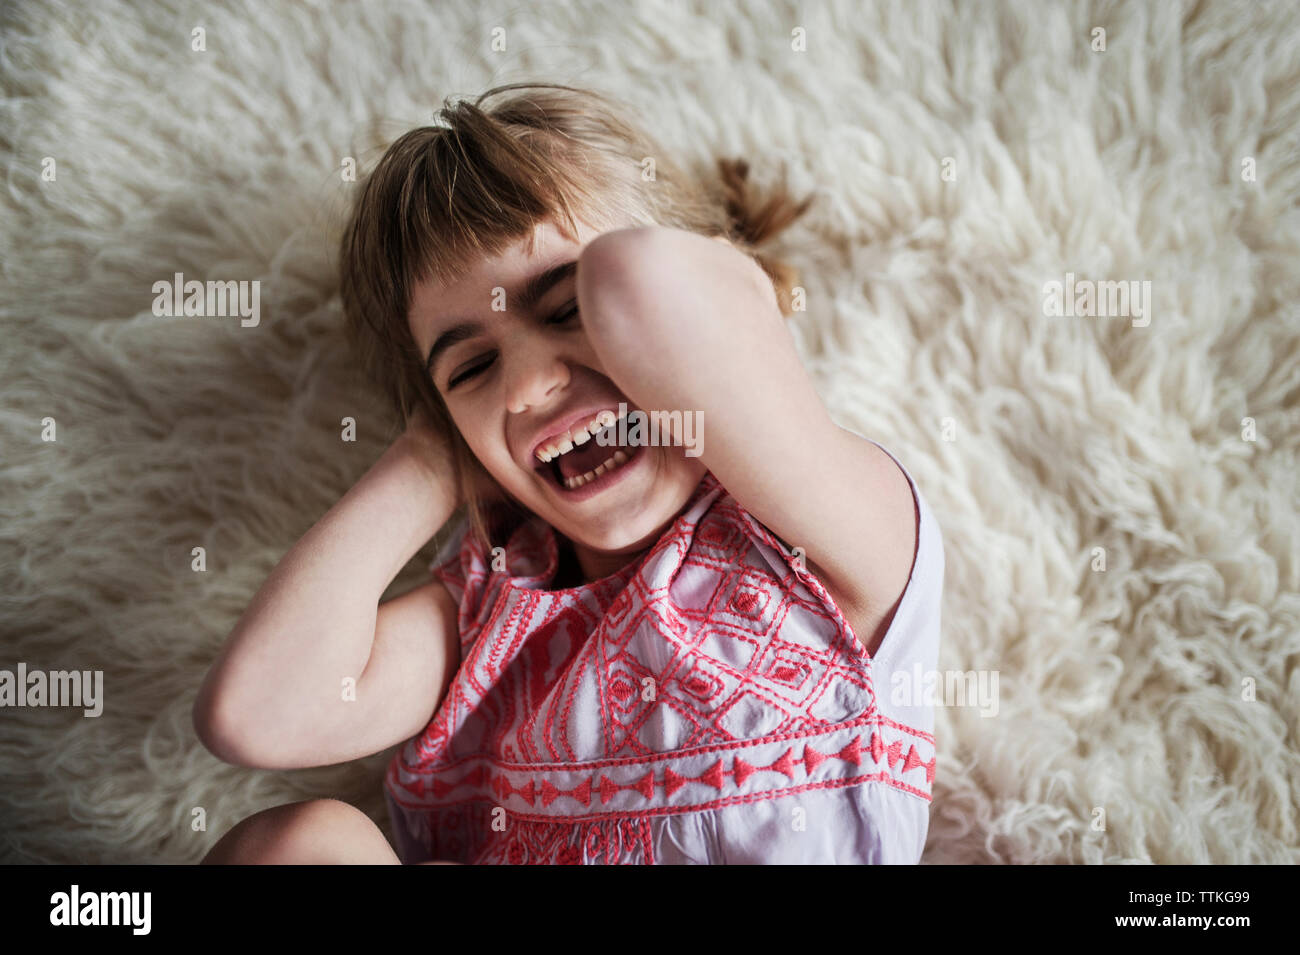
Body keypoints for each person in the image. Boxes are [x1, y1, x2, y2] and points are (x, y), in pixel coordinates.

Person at [193, 82, 942, 864]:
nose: (524, 386)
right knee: (300, 844)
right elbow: (254, 714)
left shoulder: (819, 539)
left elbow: (657, 289)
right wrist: (434, 457)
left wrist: (709, 279)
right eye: (474, 366)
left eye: (567, 308)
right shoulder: (491, 610)